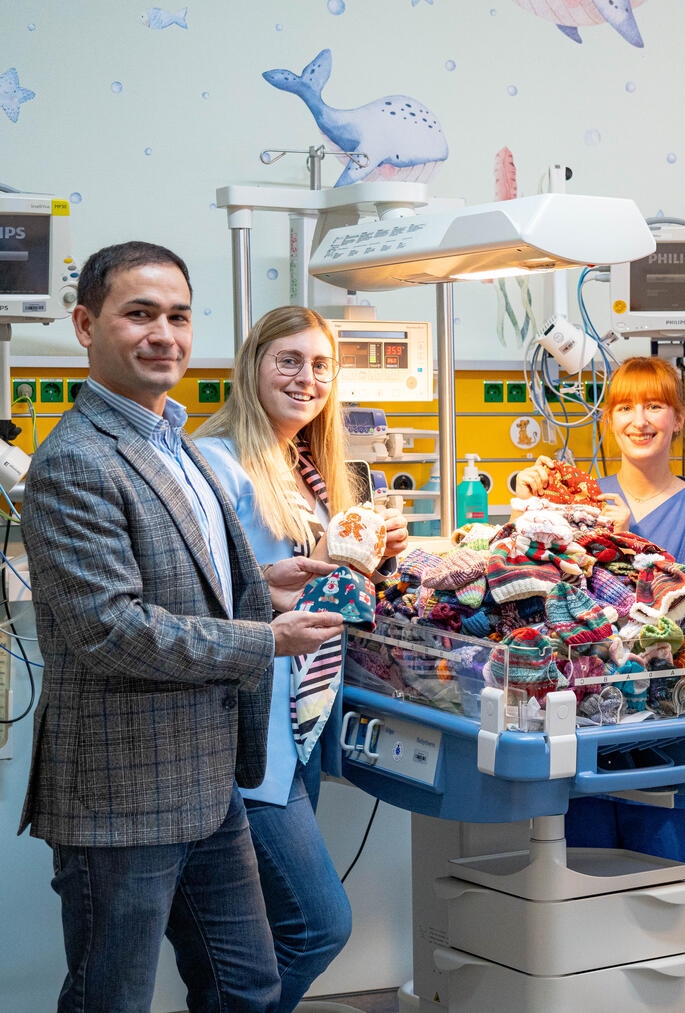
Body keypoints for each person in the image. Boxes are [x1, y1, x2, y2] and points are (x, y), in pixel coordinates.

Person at [19, 242, 347, 1012]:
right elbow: (113, 629)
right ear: (84, 324)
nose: (163, 333)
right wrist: (268, 638)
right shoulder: (75, 462)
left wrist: (264, 587)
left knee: (248, 987)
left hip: (208, 784)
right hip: (123, 791)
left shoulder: (172, 442)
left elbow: (184, 586)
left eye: (177, 316)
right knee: (114, 994)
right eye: (139, 314)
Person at [194, 305, 408, 1010]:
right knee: (317, 926)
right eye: (288, 359)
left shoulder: (308, 467)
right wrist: (304, 580)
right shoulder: (217, 462)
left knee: (263, 930)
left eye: (320, 364)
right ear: (252, 361)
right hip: (251, 732)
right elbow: (207, 603)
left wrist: (374, 554)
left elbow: (318, 585)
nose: (306, 377)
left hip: (303, 720)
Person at [517, 356, 685, 870]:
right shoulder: (581, 502)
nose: (639, 420)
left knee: (660, 886)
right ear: (608, 420)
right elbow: (545, 594)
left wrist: (626, 538)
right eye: (625, 407)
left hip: (664, 725)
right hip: (585, 722)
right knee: (581, 882)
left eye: (655, 406)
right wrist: (528, 505)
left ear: (678, 419)